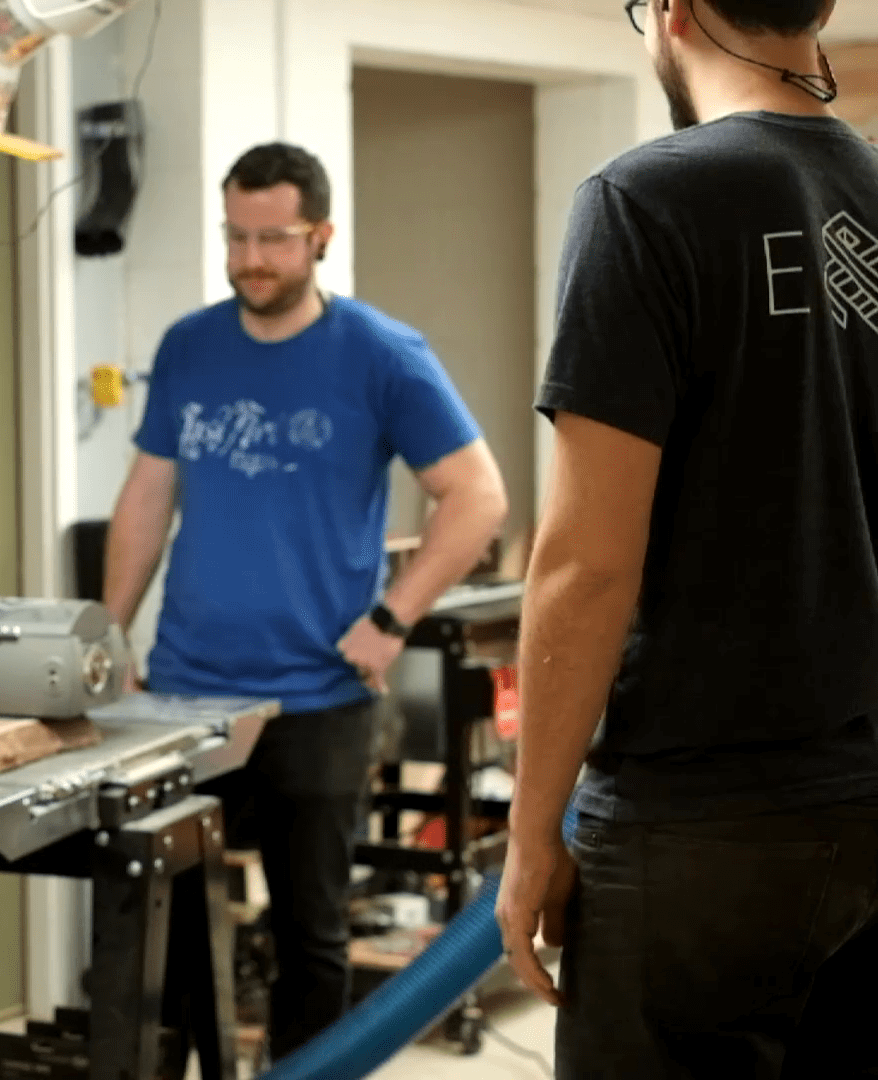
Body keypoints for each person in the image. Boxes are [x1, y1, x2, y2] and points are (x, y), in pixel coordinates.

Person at [494, 0, 878, 1074]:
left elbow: (586, 562)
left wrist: (531, 839)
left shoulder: (645, 201)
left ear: (671, 11)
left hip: (703, 826)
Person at [105, 142, 508, 1058]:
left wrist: (391, 619)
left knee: (311, 936)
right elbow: (146, 498)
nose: (251, 259)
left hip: (317, 699)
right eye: (236, 237)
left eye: (274, 239)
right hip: (187, 691)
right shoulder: (189, 346)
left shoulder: (380, 354)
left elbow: (478, 494)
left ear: (321, 236)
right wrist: (109, 636)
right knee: (160, 929)